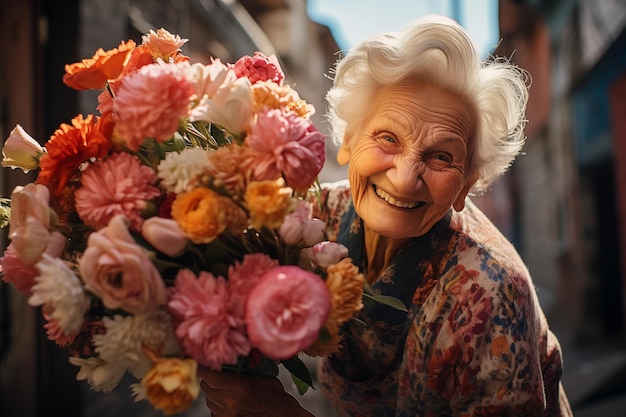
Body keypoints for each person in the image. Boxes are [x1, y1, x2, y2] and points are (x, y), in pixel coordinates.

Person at [198, 14, 573, 417]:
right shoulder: (318, 215)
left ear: (465, 186)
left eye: (441, 156)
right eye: (388, 138)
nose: (406, 178)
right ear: (347, 142)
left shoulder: (489, 294)